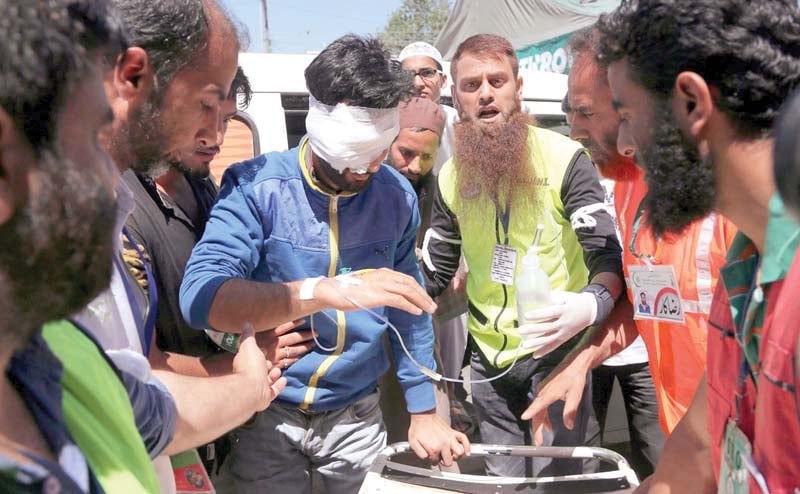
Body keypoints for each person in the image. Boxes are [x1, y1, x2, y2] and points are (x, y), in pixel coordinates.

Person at [180, 34, 469, 493]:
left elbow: (409, 306)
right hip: (267, 417)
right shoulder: (258, 187)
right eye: (357, 157)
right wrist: (322, 292)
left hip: (357, 418)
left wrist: (424, 409)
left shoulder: (393, 196)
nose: (371, 169)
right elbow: (201, 297)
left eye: (380, 152)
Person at [581, 1, 800, 491]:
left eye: (627, 114)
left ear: (692, 104)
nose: (627, 144)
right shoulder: (746, 267)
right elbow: (698, 451)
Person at [75, 1, 287, 491]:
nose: (215, 133)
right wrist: (245, 384)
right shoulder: (53, 223)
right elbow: (128, 410)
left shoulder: (123, 202)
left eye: (226, 115)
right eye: (206, 103)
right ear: (133, 76)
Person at [422, 33, 624, 477]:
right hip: (488, 360)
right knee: (502, 481)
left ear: (519, 86)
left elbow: (607, 260)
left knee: (560, 481)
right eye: (472, 85)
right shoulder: (451, 175)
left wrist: (590, 305)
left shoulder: (566, 157)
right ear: (456, 96)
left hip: (555, 350)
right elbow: (433, 273)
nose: (486, 93)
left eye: (497, 81)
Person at [398, 42, 474, 434]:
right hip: (404, 268)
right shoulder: (386, 127)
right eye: (408, 73)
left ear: (443, 80)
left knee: (453, 360)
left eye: (427, 72)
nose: (418, 81)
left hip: (454, 265)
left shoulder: (463, 130)